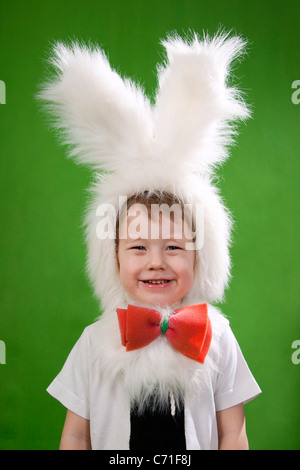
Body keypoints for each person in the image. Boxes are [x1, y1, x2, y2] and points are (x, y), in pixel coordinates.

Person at [39, 32, 261, 450]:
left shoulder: (218, 335)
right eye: (138, 248)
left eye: (173, 248)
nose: (156, 262)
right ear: (113, 257)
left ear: (202, 256)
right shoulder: (94, 341)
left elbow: (233, 431)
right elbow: (74, 433)